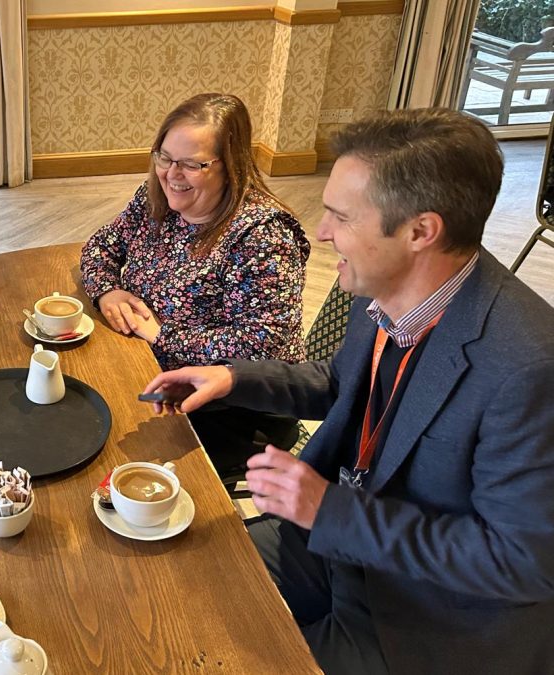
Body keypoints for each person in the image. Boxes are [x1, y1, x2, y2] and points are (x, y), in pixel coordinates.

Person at [143, 108, 554, 673]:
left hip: (421, 618)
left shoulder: (527, 367)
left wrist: (332, 512)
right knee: (180, 585)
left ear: (420, 231)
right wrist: (234, 377)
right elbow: (342, 386)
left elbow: (520, 563)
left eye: (340, 215)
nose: (322, 232)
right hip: (337, 548)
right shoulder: (380, 284)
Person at [82, 93, 310, 469]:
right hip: (152, 368)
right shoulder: (157, 199)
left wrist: (162, 336)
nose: (172, 174)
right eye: (165, 157)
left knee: (104, 451)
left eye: (191, 164)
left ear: (230, 166)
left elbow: (263, 347)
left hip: (238, 408)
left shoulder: (262, 236)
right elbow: (100, 247)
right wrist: (108, 290)